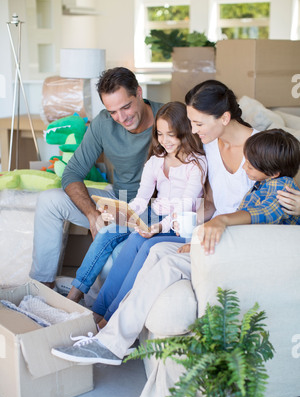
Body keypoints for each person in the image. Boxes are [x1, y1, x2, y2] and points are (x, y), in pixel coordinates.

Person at [51, 79, 264, 364]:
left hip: (234, 236)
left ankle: (107, 334)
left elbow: (270, 202)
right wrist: (191, 225)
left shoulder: (262, 146)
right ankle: (102, 325)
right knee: (142, 242)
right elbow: (208, 202)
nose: (194, 132)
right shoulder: (210, 144)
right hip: (201, 228)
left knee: (152, 248)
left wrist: (199, 227)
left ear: (224, 118)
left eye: (197, 124)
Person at [29, 67, 163, 289]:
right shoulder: (103, 123)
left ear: (138, 93)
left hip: (155, 209)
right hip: (118, 200)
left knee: (110, 263)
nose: (121, 118)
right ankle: (42, 287)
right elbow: (72, 173)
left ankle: (95, 308)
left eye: (126, 107)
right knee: (48, 201)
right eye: (113, 112)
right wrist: (92, 215)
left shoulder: (168, 118)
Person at [66, 101, 207, 305]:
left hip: (175, 223)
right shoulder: (156, 160)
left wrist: (161, 226)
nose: (164, 141)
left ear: (184, 132)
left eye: (171, 134)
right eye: (159, 134)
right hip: (152, 213)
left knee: (132, 241)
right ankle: (74, 295)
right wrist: (124, 212)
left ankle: (106, 308)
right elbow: (142, 198)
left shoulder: (196, 163)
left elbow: (184, 206)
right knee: (107, 232)